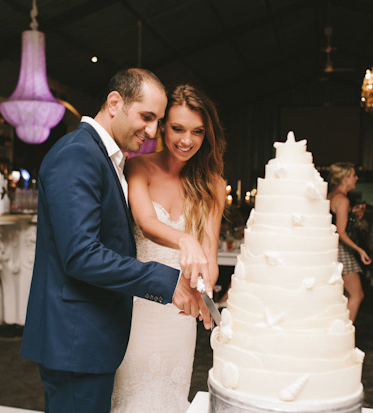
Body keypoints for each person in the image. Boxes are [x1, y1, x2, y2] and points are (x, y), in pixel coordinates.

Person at [20, 69, 211, 413]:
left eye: (157, 121)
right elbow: (81, 255)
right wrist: (168, 282)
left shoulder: (105, 159)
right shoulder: (77, 154)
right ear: (114, 103)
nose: (153, 131)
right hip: (75, 340)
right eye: (146, 117)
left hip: (90, 340)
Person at [110, 84, 226, 412]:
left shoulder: (213, 184)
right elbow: (147, 222)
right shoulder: (139, 166)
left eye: (197, 132)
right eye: (177, 129)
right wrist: (184, 239)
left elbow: (210, 253)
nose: (186, 140)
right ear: (162, 127)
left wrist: (203, 284)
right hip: (139, 308)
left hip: (180, 316)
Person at [327, 163, 371, 323]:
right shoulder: (343, 200)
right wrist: (359, 250)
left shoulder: (332, 195)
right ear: (345, 178)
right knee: (357, 295)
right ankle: (345, 334)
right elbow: (341, 231)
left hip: (330, 249)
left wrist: (351, 214)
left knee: (344, 296)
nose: (356, 178)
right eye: (354, 175)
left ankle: (339, 330)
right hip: (341, 250)